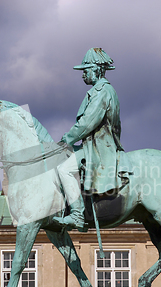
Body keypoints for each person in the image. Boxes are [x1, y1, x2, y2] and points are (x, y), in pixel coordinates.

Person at [53, 48, 124, 229]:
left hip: (98, 146)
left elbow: (87, 123)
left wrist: (67, 139)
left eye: (86, 70)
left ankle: (77, 214)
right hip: (95, 143)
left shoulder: (102, 92)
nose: (83, 74)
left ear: (97, 70)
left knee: (65, 170)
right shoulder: (103, 90)